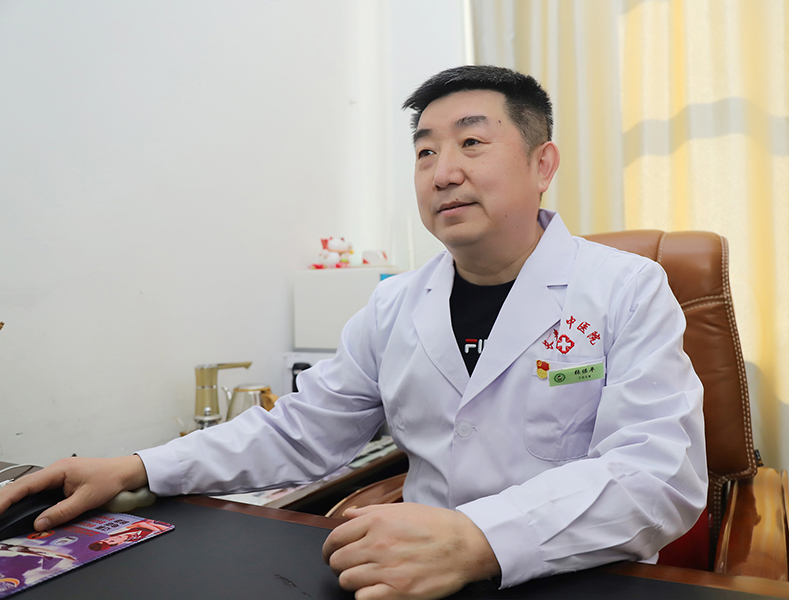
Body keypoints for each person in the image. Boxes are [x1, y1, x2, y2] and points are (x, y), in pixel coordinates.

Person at [0, 66, 706, 600]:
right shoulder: (396, 303)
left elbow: (657, 477)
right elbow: (299, 431)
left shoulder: (625, 287)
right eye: (424, 152)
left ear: (542, 164)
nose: (444, 172)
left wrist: (482, 538)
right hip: (406, 580)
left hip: (573, 573)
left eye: (471, 142)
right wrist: (137, 467)